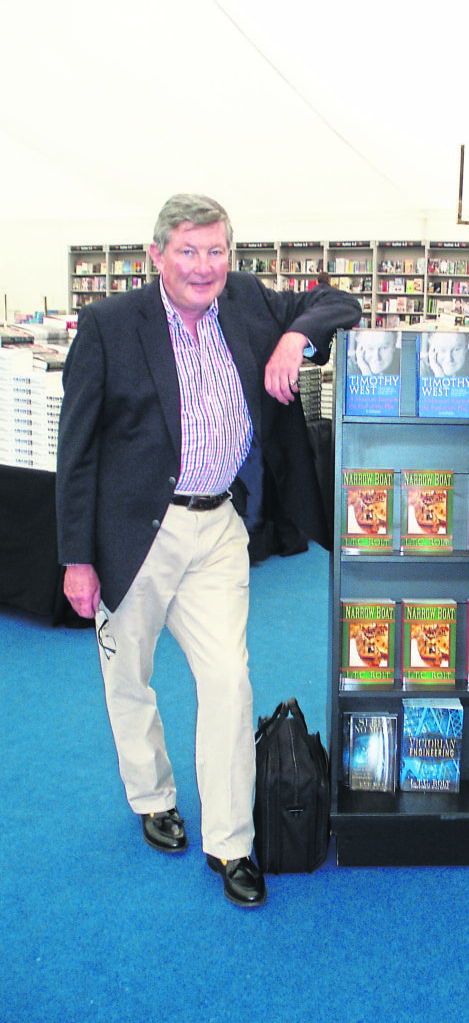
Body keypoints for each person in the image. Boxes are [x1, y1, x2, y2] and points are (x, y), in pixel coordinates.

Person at [56, 194, 361, 908]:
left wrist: (297, 340)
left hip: (220, 526)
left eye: (216, 250)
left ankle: (231, 843)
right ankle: (152, 795)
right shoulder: (109, 326)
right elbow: (75, 451)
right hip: (132, 533)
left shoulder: (250, 300)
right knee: (128, 676)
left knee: (229, 679)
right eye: (188, 251)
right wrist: (76, 556)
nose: (204, 266)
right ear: (156, 255)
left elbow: (336, 300)